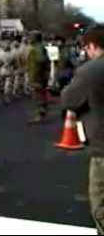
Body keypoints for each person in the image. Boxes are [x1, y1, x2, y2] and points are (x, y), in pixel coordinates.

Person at [61, 25, 104, 234]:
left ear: (93, 46)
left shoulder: (91, 71)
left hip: (102, 148)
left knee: (101, 206)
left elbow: (69, 100)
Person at [26, 31, 51, 124]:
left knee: (38, 96)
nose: (29, 39)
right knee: (41, 95)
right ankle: (42, 112)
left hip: (37, 77)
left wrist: (33, 77)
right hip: (41, 75)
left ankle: (39, 115)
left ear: (35, 38)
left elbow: (40, 60)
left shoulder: (37, 49)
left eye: (30, 37)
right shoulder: (41, 47)